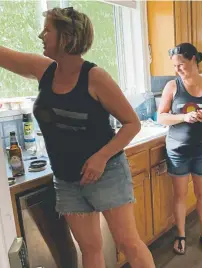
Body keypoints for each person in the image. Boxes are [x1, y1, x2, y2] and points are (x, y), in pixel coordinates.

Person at [0, 7, 155, 268]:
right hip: (66, 179)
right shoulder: (44, 69)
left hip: (106, 174)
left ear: (67, 37)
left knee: (128, 243)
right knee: (90, 249)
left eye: (47, 29)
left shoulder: (95, 77)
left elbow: (132, 123)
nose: (41, 35)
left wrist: (101, 157)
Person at [157, 43, 202, 255]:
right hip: (177, 150)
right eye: (175, 66)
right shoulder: (172, 86)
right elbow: (161, 117)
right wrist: (183, 117)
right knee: (180, 195)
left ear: (194, 60)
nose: (177, 69)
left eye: (181, 65)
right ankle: (181, 235)